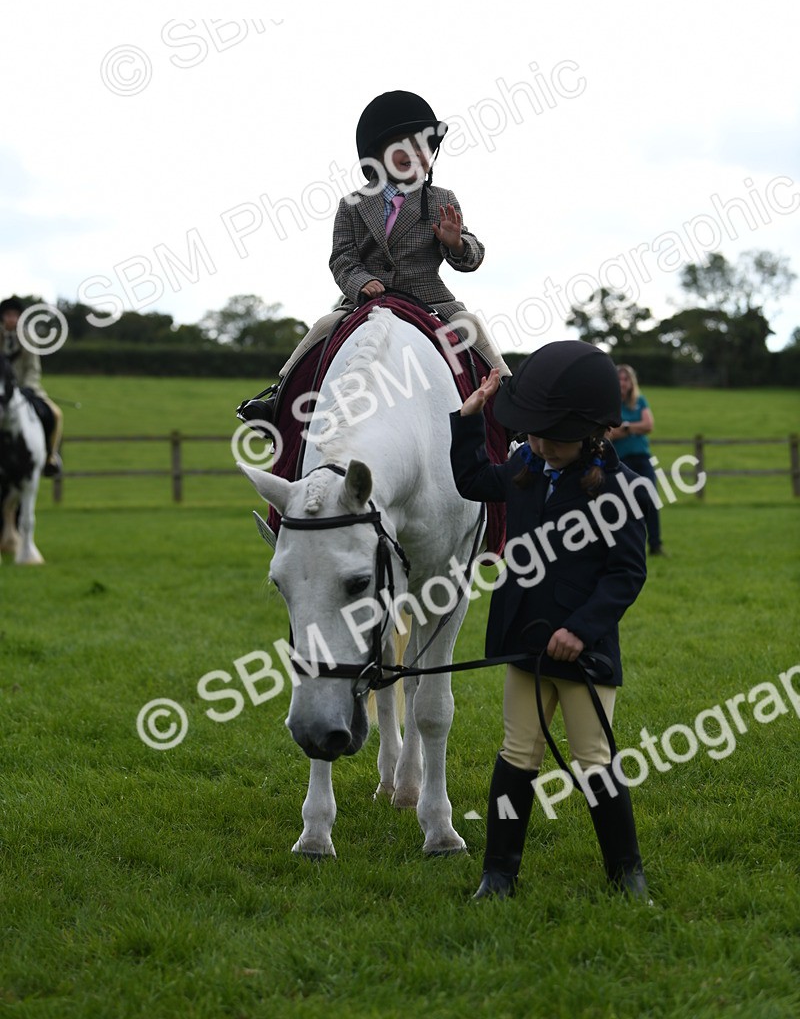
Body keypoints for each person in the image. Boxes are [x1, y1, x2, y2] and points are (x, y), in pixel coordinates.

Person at [449, 341, 651, 902]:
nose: (539, 445)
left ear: (589, 433)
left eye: (552, 437)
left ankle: (626, 874)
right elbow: (471, 481)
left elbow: (626, 575)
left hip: (584, 654)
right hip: (526, 642)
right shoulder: (525, 467)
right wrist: (469, 418)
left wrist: (581, 629)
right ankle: (498, 874)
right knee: (518, 754)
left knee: (595, 760)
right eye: (533, 434)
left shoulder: (620, 490)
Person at [240, 91, 509, 427]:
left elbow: (471, 256)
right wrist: (360, 282)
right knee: (324, 327)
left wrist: (457, 244)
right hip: (368, 297)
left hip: (430, 297)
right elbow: (341, 258)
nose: (415, 153)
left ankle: (509, 394)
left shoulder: (442, 198)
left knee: (472, 324)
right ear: (377, 156)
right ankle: (278, 396)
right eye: (404, 146)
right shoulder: (352, 204)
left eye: (423, 147)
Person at [0, 296, 63, 477]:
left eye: (15, 315)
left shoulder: (28, 336)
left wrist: (26, 387)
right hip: (2, 391)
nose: (12, 318)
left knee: (57, 415)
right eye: (8, 314)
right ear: (3, 317)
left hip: (26, 389)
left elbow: (33, 368)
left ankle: (50, 457)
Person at [608, 364, 665, 556]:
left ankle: (656, 544)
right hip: (620, 461)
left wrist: (625, 427)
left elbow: (649, 425)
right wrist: (633, 428)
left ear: (632, 382)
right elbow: (609, 434)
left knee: (650, 500)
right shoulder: (610, 404)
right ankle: (625, 546)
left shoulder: (640, 401)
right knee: (622, 505)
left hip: (642, 459)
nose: (623, 383)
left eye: (626, 379)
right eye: (619, 379)